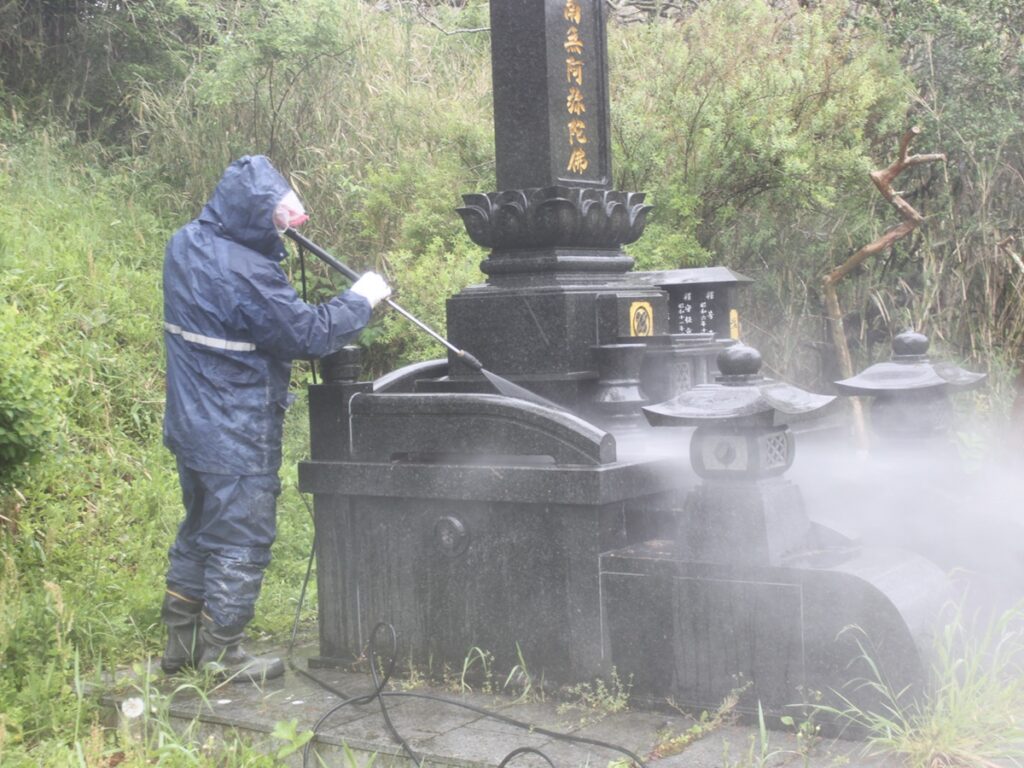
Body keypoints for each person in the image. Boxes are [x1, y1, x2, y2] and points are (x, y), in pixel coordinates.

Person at [160, 155, 390, 682]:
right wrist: (360, 301)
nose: (280, 231)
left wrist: (270, 243)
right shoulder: (247, 272)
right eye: (273, 220)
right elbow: (306, 334)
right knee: (243, 536)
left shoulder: (184, 244)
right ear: (249, 213)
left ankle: (180, 648)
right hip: (233, 426)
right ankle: (223, 654)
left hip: (191, 424)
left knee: (199, 530)